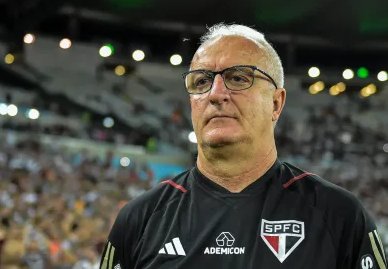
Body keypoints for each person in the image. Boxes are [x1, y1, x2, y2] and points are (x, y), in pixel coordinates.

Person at [99, 24, 388, 269]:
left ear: (276, 103)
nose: (215, 94)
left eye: (238, 78)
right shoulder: (140, 220)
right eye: (201, 81)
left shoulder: (339, 216)